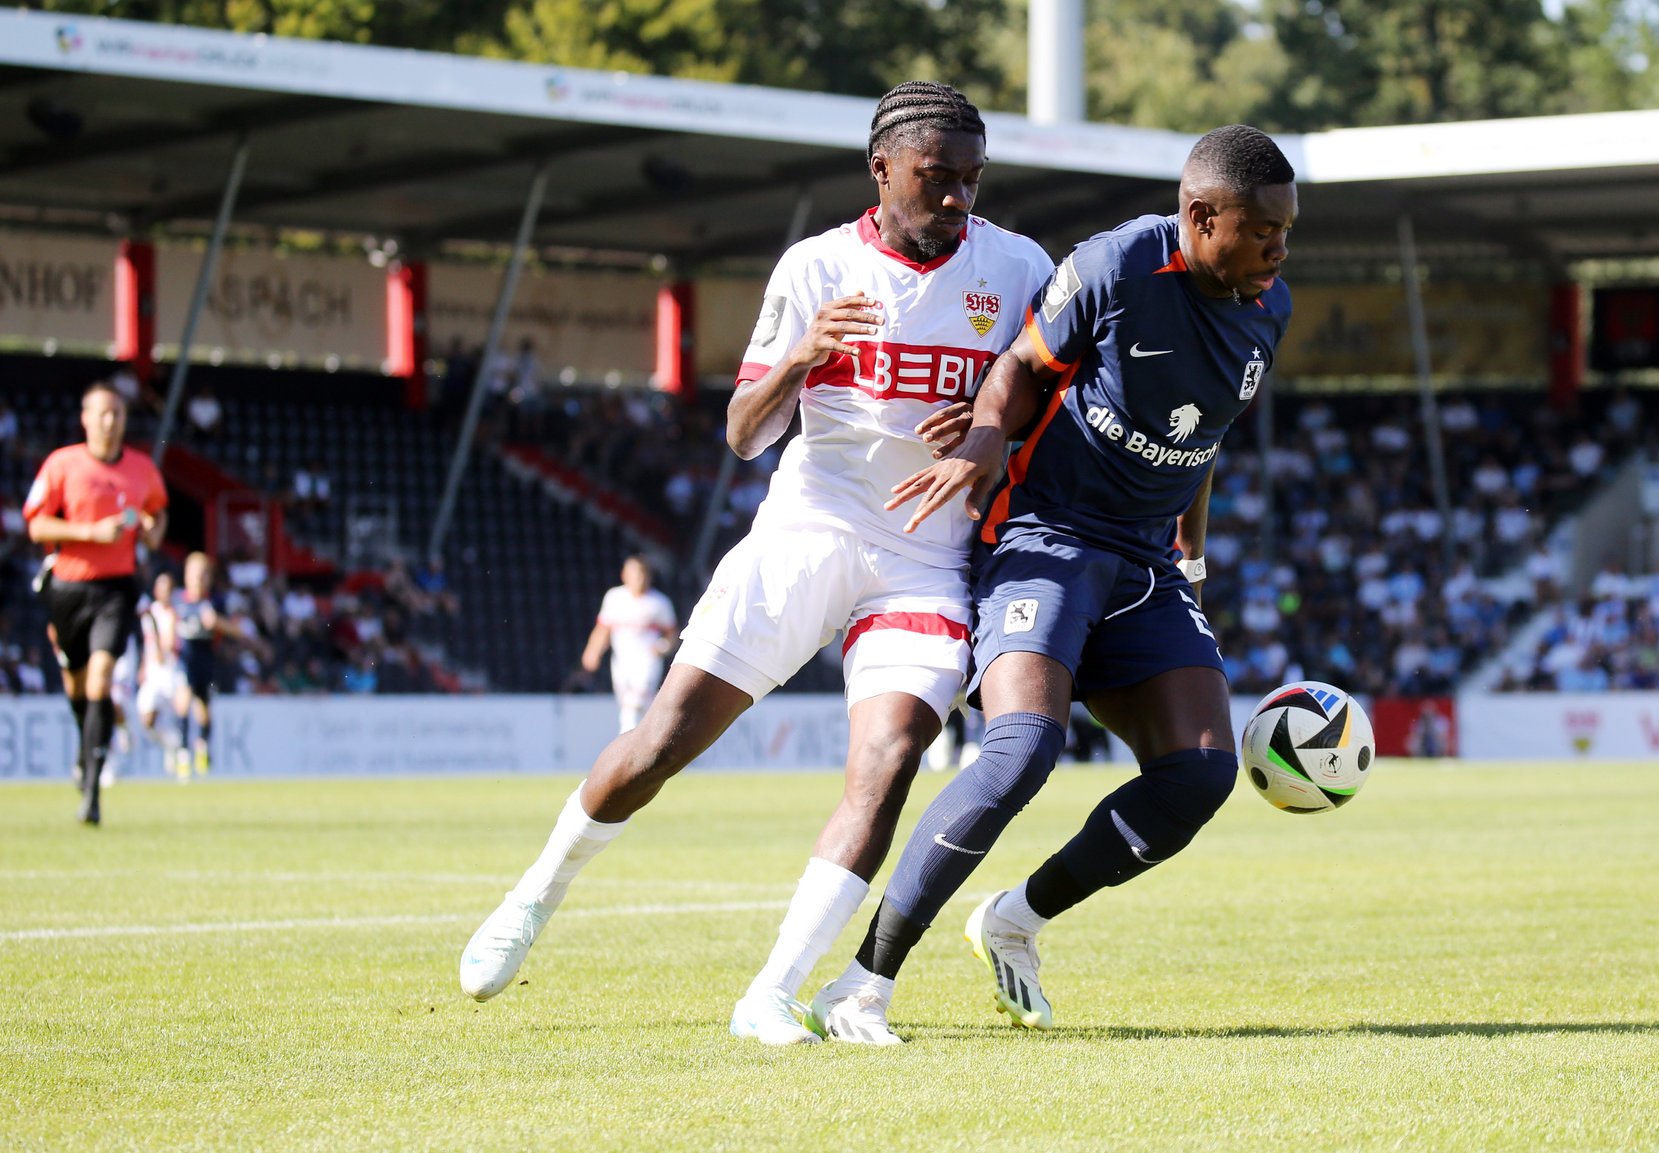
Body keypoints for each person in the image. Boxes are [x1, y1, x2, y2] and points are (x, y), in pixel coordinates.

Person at [457, 82, 1055, 1048]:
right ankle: (534, 893)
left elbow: (1045, 387)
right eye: (936, 179)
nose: (957, 201)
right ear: (882, 169)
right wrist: (800, 359)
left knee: (891, 757)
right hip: (807, 531)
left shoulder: (1018, 264)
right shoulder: (815, 268)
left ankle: (771, 991)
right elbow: (742, 434)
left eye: (971, 181)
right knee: (659, 744)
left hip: (925, 556)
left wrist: (993, 424)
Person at [808, 124, 1297, 1042]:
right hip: (1048, 536)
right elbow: (1020, 367)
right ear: (1201, 217)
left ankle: (1016, 919)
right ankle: (863, 982)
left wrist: (1191, 551)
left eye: (1287, 230)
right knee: (1021, 750)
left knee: (1200, 774)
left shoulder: (1268, 305)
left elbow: (1207, 438)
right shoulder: (1115, 265)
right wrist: (988, 446)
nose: (1280, 247)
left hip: (1147, 560)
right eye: (1264, 229)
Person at [23, 383, 168, 824]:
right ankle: (86, 753)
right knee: (77, 686)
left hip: (117, 588)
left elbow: (158, 511)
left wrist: (152, 530)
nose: (111, 421)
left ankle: (93, 789)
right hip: (68, 589)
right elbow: (35, 526)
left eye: (118, 414)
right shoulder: (62, 464)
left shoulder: (142, 468)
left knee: (101, 681)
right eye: (103, 413)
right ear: (85, 418)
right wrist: (90, 533)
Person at [581, 555, 678, 733]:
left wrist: (662, 646)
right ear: (624, 575)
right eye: (634, 574)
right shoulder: (614, 598)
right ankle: (654, 739)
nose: (639, 579)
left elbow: (672, 636)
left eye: (642, 574)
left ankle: (625, 741)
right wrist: (592, 651)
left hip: (647, 662)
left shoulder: (659, 603)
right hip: (622, 663)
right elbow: (603, 630)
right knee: (632, 706)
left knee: (634, 704)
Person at [171, 552, 226, 778]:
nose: (198, 579)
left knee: (203, 709)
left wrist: (216, 622)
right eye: (194, 573)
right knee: (183, 701)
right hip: (185, 659)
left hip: (206, 659)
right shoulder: (177, 600)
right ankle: (183, 752)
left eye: (203, 574)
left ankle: (202, 745)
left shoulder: (215, 601)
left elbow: (234, 629)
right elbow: (168, 624)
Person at [134, 571, 186, 778]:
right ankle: (171, 742)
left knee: (179, 712)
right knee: (147, 720)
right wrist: (143, 666)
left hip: (171, 670)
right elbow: (145, 644)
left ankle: (183, 755)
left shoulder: (174, 613)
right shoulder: (149, 612)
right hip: (153, 672)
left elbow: (168, 644)